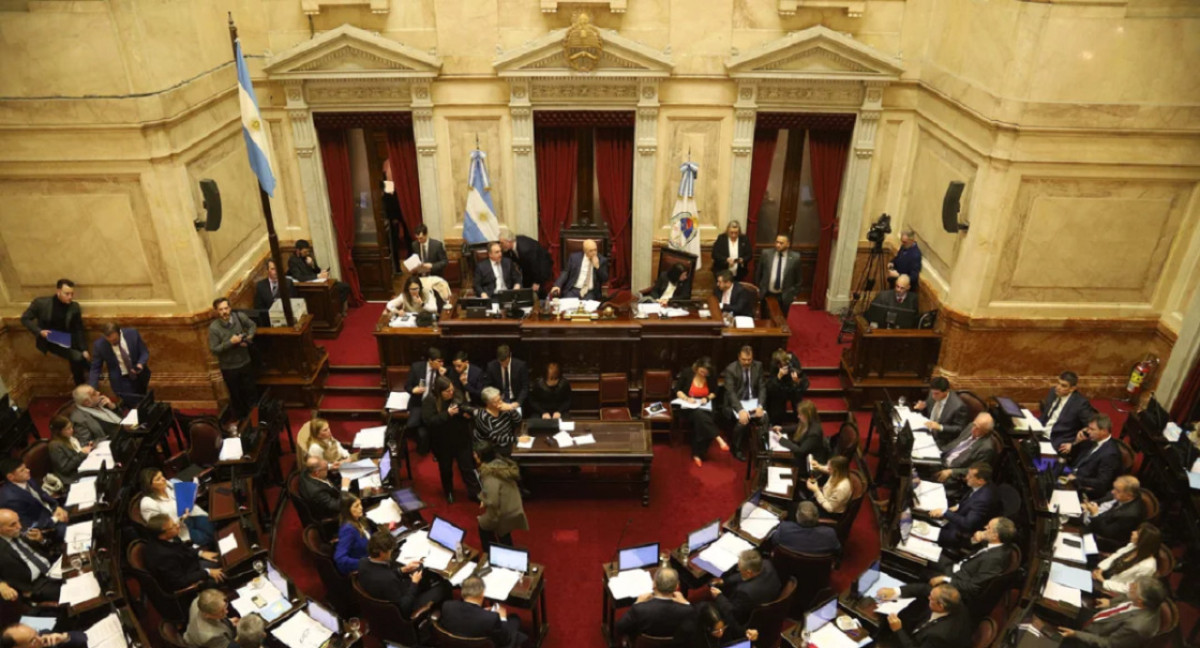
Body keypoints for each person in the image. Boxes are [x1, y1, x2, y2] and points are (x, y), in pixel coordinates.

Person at [878, 517, 1016, 616]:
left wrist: (946, 579)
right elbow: (970, 550)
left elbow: (974, 588)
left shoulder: (996, 559)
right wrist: (975, 540)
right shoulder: (995, 543)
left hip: (958, 582)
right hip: (957, 567)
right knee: (927, 551)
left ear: (995, 535)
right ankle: (891, 553)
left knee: (925, 579)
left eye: (989, 528)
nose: (985, 527)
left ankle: (894, 579)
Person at [357, 530, 451, 616]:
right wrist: (414, 583)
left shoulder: (362, 562)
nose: (391, 553)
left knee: (421, 571)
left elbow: (381, 573)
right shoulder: (389, 579)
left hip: (384, 592)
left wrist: (402, 570)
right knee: (444, 586)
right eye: (390, 550)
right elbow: (404, 608)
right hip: (402, 607)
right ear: (382, 553)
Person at [1058, 576, 1165, 648]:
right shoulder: (1141, 598)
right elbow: (1125, 596)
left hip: (1094, 640)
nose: (1130, 586)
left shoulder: (1137, 627)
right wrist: (1110, 602)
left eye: (1134, 588)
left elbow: (1108, 644)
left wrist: (1076, 635)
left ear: (1140, 601)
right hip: (1097, 619)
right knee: (1060, 607)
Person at [20, 278, 89, 385]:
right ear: (58, 292)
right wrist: (39, 331)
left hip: (68, 338)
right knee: (78, 357)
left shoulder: (74, 306)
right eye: (67, 294)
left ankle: (83, 385)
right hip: (51, 338)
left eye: (72, 294)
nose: (70, 297)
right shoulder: (41, 303)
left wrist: (84, 349)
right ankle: (87, 382)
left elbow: (78, 329)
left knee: (83, 358)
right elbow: (25, 319)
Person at [422, 376, 480, 503]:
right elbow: (429, 421)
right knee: (446, 469)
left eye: (452, 389)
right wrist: (447, 414)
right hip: (443, 442)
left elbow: (464, 407)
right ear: (439, 392)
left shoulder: (456, 394)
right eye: (447, 391)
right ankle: (448, 492)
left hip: (461, 437)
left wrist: (465, 415)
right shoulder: (430, 401)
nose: (451, 393)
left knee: (467, 467)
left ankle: (475, 492)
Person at [708, 550, 781, 640]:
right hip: (770, 598)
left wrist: (719, 596)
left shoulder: (745, 592)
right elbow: (743, 576)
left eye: (740, 569)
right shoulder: (766, 564)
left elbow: (732, 611)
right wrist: (725, 581)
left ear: (748, 572)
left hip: (746, 618)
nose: (739, 570)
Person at [615, 567, 697, 645]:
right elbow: (695, 629)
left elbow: (619, 627)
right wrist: (686, 603)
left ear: (654, 584)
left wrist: (637, 603)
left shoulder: (639, 609)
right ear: (677, 587)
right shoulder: (687, 611)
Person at [143, 514, 224, 593]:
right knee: (224, 573)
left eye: (175, 523)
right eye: (173, 526)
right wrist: (207, 572)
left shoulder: (170, 536)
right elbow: (179, 581)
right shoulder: (163, 557)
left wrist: (200, 553)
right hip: (189, 579)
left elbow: (183, 548)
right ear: (162, 536)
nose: (178, 525)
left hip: (190, 564)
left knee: (222, 558)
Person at [207, 297, 257, 423]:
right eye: (221, 309)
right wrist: (230, 342)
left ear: (230, 308)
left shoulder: (240, 317)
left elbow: (252, 326)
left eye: (226, 308)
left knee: (251, 392)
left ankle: (255, 419)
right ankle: (243, 422)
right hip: (229, 368)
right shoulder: (214, 328)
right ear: (217, 312)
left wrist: (248, 338)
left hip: (245, 362)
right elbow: (214, 349)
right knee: (236, 396)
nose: (224, 312)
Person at [439, 576, 526, 648]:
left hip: (455, 644)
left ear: (462, 593)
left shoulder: (447, 606)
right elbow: (505, 639)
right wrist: (503, 618)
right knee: (514, 619)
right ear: (482, 593)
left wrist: (482, 612)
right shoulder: (491, 618)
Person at [139, 468, 215, 549]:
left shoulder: (169, 484)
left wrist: (190, 494)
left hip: (193, 514)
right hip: (180, 529)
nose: (163, 479)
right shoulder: (147, 504)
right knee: (207, 539)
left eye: (162, 476)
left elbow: (184, 496)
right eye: (158, 479)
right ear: (150, 486)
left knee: (214, 530)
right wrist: (182, 518)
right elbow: (160, 528)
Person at [928, 463, 1000, 548]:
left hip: (962, 532)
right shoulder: (982, 484)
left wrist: (945, 512)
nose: (966, 478)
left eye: (970, 476)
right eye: (968, 474)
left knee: (928, 532)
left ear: (980, 481)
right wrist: (958, 506)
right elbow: (970, 499)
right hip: (960, 515)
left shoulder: (983, 500)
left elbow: (967, 524)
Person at [0, 509, 62, 603]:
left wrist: (41, 540)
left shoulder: (21, 529)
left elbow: (47, 548)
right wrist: (1, 585)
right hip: (37, 585)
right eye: (12, 525)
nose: (19, 526)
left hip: (53, 566)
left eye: (18, 521)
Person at [475, 441, 528, 552]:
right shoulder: (501, 464)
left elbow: (493, 501)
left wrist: (484, 500)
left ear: (479, 456)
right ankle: (506, 549)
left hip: (504, 512)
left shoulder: (488, 475)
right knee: (504, 534)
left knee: (483, 526)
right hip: (514, 506)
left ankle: (489, 554)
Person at [674, 357, 726, 467]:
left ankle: (697, 454)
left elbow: (715, 392)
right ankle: (717, 437)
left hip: (704, 405)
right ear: (697, 367)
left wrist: (706, 399)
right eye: (702, 371)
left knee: (702, 420)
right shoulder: (687, 372)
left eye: (706, 373)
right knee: (699, 415)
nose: (703, 374)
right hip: (687, 406)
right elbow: (677, 390)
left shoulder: (711, 376)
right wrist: (687, 399)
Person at [886, 583, 973, 648]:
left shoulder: (938, 635)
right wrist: (895, 591)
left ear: (940, 606)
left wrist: (898, 630)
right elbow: (925, 589)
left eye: (931, 598)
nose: (928, 597)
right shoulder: (956, 602)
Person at [0, 459, 69, 540]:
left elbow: (43, 494)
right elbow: (27, 524)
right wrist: (55, 519)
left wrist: (56, 507)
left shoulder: (26, 478)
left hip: (52, 511)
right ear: (11, 477)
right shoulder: (10, 499)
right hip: (45, 526)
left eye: (26, 468)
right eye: (22, 470)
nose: (28, 470)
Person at [1062, 413, 1122, 501]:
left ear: (1104, 431)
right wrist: (1077, 442)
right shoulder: (1092, 439)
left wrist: (1077, 479)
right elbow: (1074, 458)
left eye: (1092, 429)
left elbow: (1102, 482)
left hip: (1083, 486)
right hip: (1070, 473)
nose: (1088, 431)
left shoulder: (1110, 454)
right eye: (1088, 428)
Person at [722, 346, 766, 463]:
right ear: (739, 358)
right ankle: (736, 448)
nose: (747, 362)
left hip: (753, 400)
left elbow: (762, 387)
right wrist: (740, 410)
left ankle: (763, 449)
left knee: (765, 418)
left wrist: (760, 406)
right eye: (744, 359)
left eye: (749, 359)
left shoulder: (758, 366)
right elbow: (731, 393)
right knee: (742, 422)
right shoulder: (731, 369)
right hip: (738, 401)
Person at [87, 322, 151, 399]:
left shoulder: (132, 334)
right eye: (109, 341)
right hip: (121, 380)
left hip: (140, 375)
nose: (113, 342)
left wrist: (140, 364)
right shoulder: (99, 346)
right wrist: (92, 388)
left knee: (144, 400)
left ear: (119, 332)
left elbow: (144, 352)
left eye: (115, 339)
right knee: (130, 403)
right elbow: (95, 368)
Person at [1094, 523, 1160, 595]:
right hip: (1102, 576)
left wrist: (1103, 582)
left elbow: (1130, 588)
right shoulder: (1134, 546)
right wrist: (1100, 569)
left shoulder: (1148, 566)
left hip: (1111, 591)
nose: (1133, 532)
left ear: (1144, 540)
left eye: (1137, 533)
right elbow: (1115, 556)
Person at [1083, 476, 1146, 550]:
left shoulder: (1130, 515)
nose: (1112, 492)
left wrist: (1094, 514)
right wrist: (1089, 504)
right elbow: (1101, 501)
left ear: (1129, 496)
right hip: (1095, 521)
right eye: (1114, 488)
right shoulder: (1121, 495)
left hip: (1102, 540)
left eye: (1117, 490)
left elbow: (1106, 533)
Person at [770, 399, 828, 478]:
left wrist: (782, 440)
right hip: (803, 455)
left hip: (808, 463)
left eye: (800, 414)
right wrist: (782, 428)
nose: (798, 416)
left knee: (777, 459)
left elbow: (800, 451)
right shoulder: (807, 422)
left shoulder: (814, 433)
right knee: (775, 457)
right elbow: (797, 427)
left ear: (807, 415)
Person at [406, 347, 448, 455]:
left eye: (442, 361)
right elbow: (407, 386)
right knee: (412, 424)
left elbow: (446, 389)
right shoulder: (417, 367)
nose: (441, 364)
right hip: (419, 402)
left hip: (435, 404)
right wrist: (413, 390)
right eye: (439, 361)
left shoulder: (443, 371)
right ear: (430, 361)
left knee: (435, 424)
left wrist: (443, 376)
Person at [1041, 371, 1096, 450]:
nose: (1058, 387)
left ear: (1072, 389)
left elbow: (1091, 425)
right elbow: (1045, 415)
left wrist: (1074, 443)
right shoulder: (1053, 392)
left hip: (1058, 441)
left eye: (1063, 386)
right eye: (1058, 383)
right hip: (1042, 431)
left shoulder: (1080, 404)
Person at [935, 413, 996, 483]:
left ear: (985, 431)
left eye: (978, 428)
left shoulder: (986, 448)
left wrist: (951, 472)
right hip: (942, 456)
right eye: (974, 424)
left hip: (952, 472)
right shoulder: (971, 426)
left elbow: (974, 470)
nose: (973, 429)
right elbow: (955, 442)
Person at [287, 239, 350, 305]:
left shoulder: (308, 257)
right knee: (332, 292)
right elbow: (299, 277)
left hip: (318, 281)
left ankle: (335, 306)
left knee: (345, 287)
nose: (307, 253)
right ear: (298, 251)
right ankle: (334, 308)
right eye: (305, 252)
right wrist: (318, 276)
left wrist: (313, 265)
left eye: (308, 251)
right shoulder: (293, 260)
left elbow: (317, 270)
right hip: (310, 286)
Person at [756, 233, 802, 319]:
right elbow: (759, 272)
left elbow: (798, 279)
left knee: (781, 319)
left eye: (781, 243)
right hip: (767, 292)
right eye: (777, 242)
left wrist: (794, 294)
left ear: (788, 244)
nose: (778, 245)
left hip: (784, 295)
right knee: (764, 317)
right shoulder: (766, 254)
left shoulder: (795, 258)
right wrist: (759, 288)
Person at [468, 387, 524, 456]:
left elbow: (518, 421)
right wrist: (516, 439)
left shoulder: (503, 408)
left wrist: (511, 409)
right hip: (492, 447)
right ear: (488, 403)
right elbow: (495, 438)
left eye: (500, 399)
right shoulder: (483, 416)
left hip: (507, 441)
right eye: (496, 401)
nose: (500, 402)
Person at [770, 501, 840, 555]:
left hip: (788, 566)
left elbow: (774, 541)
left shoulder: (784, 528)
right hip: (817, 570)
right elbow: (837, 550)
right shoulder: (830, 534)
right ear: (817, 516)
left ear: (797, 516)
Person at [914, 377, 969, 446]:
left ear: (946, 391)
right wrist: (922, 407)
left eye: (936, 393)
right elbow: (928, 409)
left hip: (941, 439)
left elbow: (959, 429)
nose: (933, 396)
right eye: (932, 393)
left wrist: (940, 427)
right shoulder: (934, 393)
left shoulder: (958, 407)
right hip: (927, 430)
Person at [499, 229, 553, 295]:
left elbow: (535, 266)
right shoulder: (512, 244)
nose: (500, 245)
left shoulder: (525, 249)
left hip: (541, 267)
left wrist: (537, 282)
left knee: (537, 291)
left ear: (509, 242)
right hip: (529, 267)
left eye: (502, 243)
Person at [764, 349, 807, 425]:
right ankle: (775, 425)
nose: (784, 366)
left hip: (793, 388)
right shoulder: (774, 365)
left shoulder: (794, 361)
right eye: (782, 365)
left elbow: (805, 383)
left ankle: (801, 424)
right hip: (781, 390)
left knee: (798, 401)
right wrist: (778, 377)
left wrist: (797, 381)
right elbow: (769, 388)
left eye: (785, 364)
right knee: (775, 402)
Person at [333, 494, 372, 575]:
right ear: (347, 510)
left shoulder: (361, 520)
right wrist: (365, 563)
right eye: (356, 506)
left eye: (360, 504)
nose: (361, 507)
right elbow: (340, 559)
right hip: (364, 568)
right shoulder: (348, 529)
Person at [47, 416, 92, 484]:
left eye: (71, 427)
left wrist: (87, 445)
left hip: (81, 468)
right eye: (68, 429)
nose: (72, 430)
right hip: (72, 477)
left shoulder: (70, 438)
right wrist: (82, 454)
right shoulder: (55, 446)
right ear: (59, 431)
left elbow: (77, 449)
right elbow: (65, 469)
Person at [0, 623, 86, 648]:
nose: (40, 639)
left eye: (36, 633)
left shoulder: (45, 635)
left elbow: (85, 638)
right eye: (32, 641)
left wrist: (65, 638)